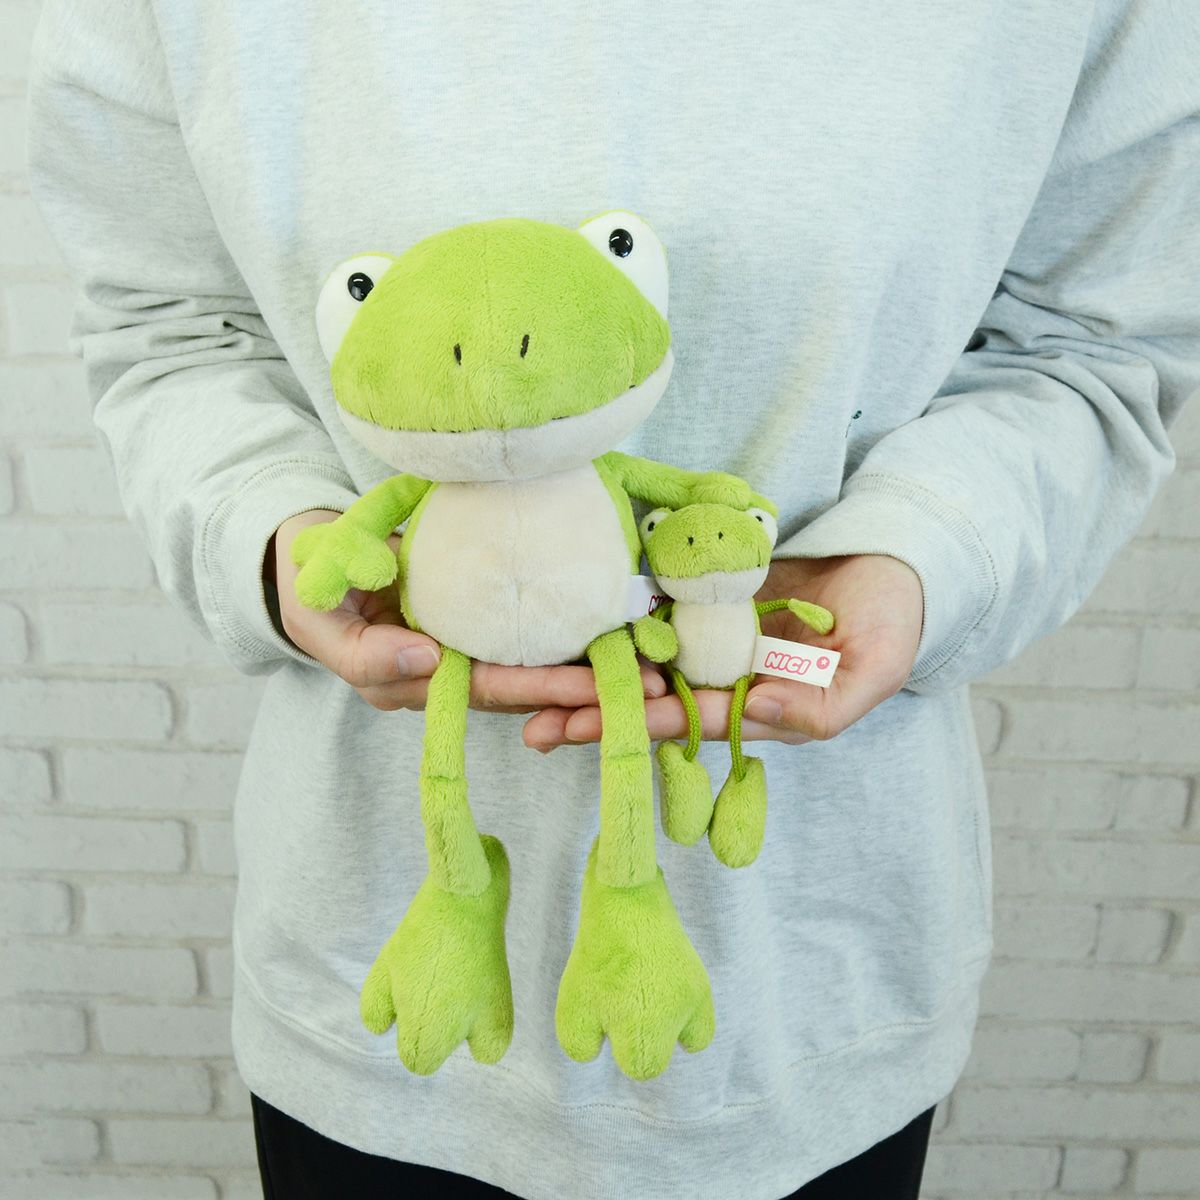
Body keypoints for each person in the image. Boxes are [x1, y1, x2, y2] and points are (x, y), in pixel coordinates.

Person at [26, 2, 1198, 1197]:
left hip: (812, 962)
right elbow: (174, 320)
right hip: (364, 963)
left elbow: (1094, 338)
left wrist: (914, 553)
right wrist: (286, 540)